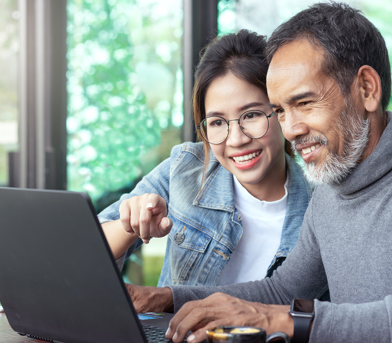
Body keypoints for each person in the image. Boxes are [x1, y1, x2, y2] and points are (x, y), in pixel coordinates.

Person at [126, 3, 392, 342]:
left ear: (366, 89)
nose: (290, 129)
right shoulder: (330, 194)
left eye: (304, 103)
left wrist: (280, 320)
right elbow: (283, 290)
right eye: (280, 111)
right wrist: (167, 297)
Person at [98, 29, 313, 287]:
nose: (236, 139)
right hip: (176, 329)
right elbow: (87, 252)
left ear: (280, 111)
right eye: (218, 122)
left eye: (251, 115)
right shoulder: (186, 168)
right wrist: (130, 225)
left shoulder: (318, 208)